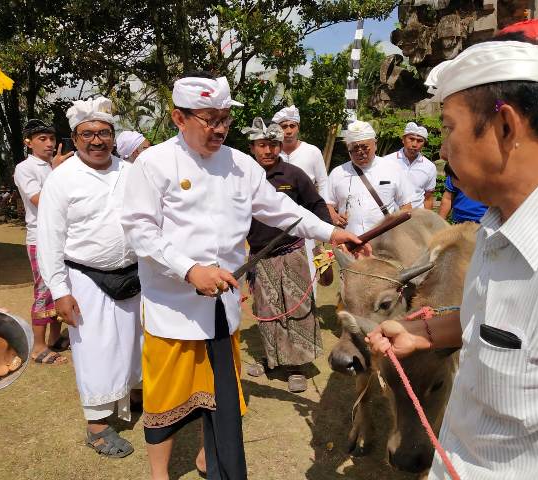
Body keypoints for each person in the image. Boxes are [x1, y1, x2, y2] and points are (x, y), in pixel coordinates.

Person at [367, 38, 538, 479]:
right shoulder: (494, 228)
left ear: (505, 126)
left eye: (449, 128)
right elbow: (513, 325)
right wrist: (427, 331)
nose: (441, 151)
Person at [120, 72, 366, 480]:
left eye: (225, 119)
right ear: (179, 118)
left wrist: (331, 231)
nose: (219, 128)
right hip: (174, 308)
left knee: (221, 399)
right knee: (166, 401)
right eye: (209, 119)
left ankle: (213, 463)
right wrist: (190, 269)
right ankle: (159, 474)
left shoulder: (240, 164)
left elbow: (280, 210)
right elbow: (140, 229)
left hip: (222, 306)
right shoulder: (154, 163)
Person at [37, 97, 143, 459]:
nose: (96, 141)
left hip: (133, 274)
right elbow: (49, 240)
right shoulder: (61, 179)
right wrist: (59, 292)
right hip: (83, 277)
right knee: (95, 350)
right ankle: (97, 425)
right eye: (88, 134)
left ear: (114, 136)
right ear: (74, 137)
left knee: (134, 343)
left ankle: (135, 394)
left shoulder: (130, 173)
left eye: (103, 133)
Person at [241, 117, 332, 393]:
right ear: (252, 147)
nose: (267, 151)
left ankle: (296, 367)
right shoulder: (243, 177)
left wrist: (326, 242)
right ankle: (272, 360)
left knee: (297, 308)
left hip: (292, 251)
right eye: (261, 145)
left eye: (272, 145)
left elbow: (317, 204)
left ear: (280, 146)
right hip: (259, 256)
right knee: (267, 310)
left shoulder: (293, 175)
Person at [13, 119, 73, 366]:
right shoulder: (26, 168)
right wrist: (57, 171)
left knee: (62, 286)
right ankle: (38, 347)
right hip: (41, 238)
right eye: (42, 139)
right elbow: (39, 200)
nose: (49, 144)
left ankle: (55, 339)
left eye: (51, 138)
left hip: (64, 237)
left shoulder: (55, 165)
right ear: (28, 143)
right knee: (43, 290)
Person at [272, 105, 330, 294]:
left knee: (308, 267)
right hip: (275, 221)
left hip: (307, 218)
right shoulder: (271, 153)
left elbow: (323, 182)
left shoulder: (312, 151)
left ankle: (308, 306)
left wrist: (326, 216)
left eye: (292, 126)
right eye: (283, 126)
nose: (288, 131)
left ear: (298, 127)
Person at [326, 120, 413, 236]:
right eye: (355, 149)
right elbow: (327, 204)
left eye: (365, 147)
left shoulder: (393, 169)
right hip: (350, 242)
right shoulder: (338, 173)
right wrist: (333, 216)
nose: (361, 152)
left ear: (375, 145)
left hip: (385, 241)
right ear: (348, 149)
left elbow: (406, 207)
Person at [384, 121, 437, 210]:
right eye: (411, 139)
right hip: (392, 217)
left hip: (417, 218)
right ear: (403, 139)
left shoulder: (429, 167)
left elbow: (428, 198)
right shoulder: (387, 161)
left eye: (420, 141)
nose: (414, 144)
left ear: (424, 143)